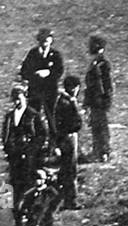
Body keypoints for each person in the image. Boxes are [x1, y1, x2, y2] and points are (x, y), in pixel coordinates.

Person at [1, 83, 46, 226]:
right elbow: (5, 137)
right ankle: (18, 221)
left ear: (25, 97)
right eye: (14, 99)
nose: (17, 102)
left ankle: (31, 218)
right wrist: (10, 150)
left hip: (29, 159)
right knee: (15, 188)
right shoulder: (9, 117)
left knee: (29, 188)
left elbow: (42, 135)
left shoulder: (33, 115)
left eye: (19, 98)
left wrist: (32, 150)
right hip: (15, 159)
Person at [20, 28, 63, 144]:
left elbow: (59, 71)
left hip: (50, 90)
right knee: (35, 115)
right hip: (35, 90)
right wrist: (35, 74)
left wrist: (49, 73)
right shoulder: (33, 54)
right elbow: (24, 72)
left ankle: (54, 142)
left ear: (51, 40)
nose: (45, 41)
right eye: (42, 39)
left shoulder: (55, 54)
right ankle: (38, 140)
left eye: (47, 39)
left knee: (51, 115)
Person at [54, 75, 83, 209]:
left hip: (66, 137)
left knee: (67, 169)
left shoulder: (62, 101)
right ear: (73, 88)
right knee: (70, 170)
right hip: (68, 137)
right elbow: (75, 123)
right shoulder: (67, 102)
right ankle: (70, 201)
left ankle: (64, 199)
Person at [83, 36, 113, 162]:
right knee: (96, 126)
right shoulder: (96, 62)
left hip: (100, 99)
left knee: (101, 126)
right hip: (94, 99)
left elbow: (107, 84)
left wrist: (107, 99)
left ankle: (103, 151)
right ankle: (98, 151)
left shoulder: (103, 64)